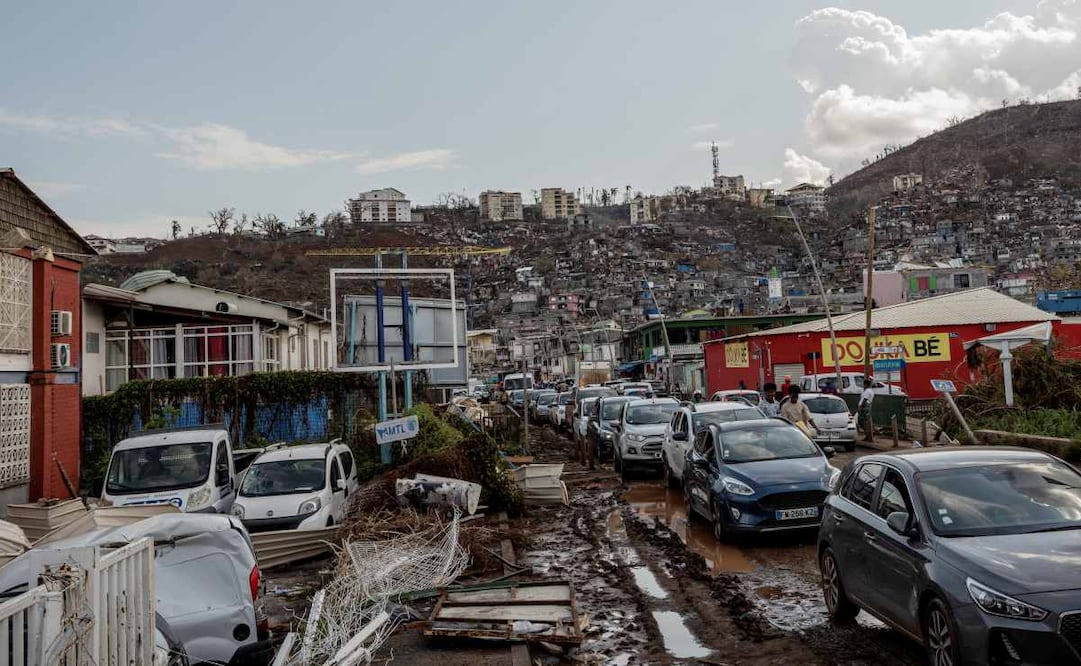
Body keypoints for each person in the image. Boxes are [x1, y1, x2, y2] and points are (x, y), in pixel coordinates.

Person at [857, 376, 876, 442]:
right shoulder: (869, 391)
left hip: (865, 407)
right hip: (866, 406)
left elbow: (864, 400)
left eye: (864, 384)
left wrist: (860, 407)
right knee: (864, 421)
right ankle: (868, 434)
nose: (863, 386)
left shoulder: (868, 391)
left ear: (866, 385)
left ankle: (868, 434)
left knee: (863, 421)